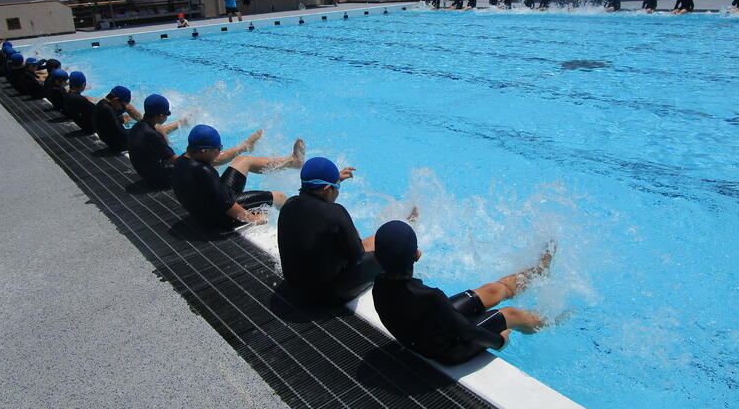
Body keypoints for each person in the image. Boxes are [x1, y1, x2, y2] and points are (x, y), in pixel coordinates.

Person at [372, 220, 553, 366]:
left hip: (430, 331)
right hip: (449, 351)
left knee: (491, 290)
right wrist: (499, 342)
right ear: (417, 254)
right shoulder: (429, 296)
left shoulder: (379, 286)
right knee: (510, 314)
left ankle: (537, 271)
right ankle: (549, 321)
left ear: (377, 257)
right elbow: (466, 332)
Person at [277, 157, 412, 305]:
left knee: (368, 241)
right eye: (337, 187)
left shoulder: (289, 205)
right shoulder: (335, 213)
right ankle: (408, 231)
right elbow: (358, 256)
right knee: (387, 248)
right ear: (326, 189)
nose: (338, 191)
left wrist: (334, 181)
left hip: (295, 288)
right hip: (326, 296)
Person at [172, 124, 304, 230]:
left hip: (209, 208)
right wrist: (253, 219)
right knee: (279, 197)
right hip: (220, 219)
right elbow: (226, 205)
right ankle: (300, 227)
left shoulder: (183, 160)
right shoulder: (204, 171)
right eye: (218, 148)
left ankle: (292, 161)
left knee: (244, 160)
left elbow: (219, 161)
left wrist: (243, 146)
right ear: (204, 151)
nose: (219, 152)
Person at [127, 94, 190, 189]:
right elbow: (175, 161)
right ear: (160, 116)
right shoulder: (152, 135)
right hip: (158, 179)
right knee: (194, 166)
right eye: (167, 114)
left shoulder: (138, 126)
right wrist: (192, 153)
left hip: (144, 173)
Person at [92, 85, 140, 152]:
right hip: (118, 145)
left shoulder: (102, 103)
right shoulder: (108, 110)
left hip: (109, 139)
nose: (122, 108)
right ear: (116, 100)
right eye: (123, 105)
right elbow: (123, 134)